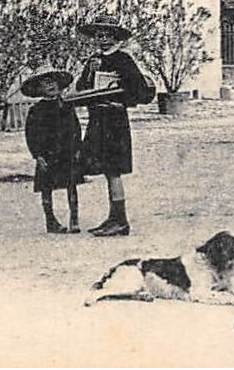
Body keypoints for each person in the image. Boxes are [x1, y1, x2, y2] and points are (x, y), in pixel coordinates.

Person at [76, 18, 155, 237]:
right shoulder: (93, 60)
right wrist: (90, 72)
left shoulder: (123, 59)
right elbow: (82, 88)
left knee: (114, 169)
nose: (102, 39)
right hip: (98, 119)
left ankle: (120, 220)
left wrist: (122, 101)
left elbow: (138, 89)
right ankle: (113, 217)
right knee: (105, 168)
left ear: (115, 37)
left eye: (107, 35)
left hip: (115, 120)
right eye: (98, 36)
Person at [21, 66, 87, 234]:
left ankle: (74, 219)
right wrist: (37, 155)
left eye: (54, 81)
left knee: (71, 185)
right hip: (47, 154)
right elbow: (31, 134)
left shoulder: (66, 106)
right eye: (45, 82)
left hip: (67, 152)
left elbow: (76, 129)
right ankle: (50, 220)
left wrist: (78, 148)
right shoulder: (36, 110)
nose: (51, 85)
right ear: (38, 89)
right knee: (46, 187)